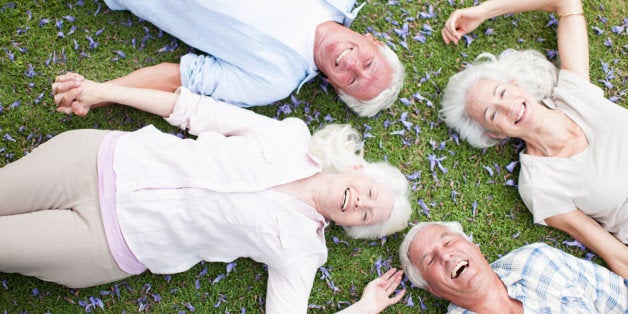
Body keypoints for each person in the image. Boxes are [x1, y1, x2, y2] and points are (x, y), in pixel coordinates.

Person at [0, 74, 412, 313]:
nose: (361, 203)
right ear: (358, 170)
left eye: (365, 216)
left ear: (350, 226)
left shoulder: (304, 250)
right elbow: (195, 112)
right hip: (94, 160)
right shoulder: (290, 137)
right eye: (370, 193)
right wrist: (103, 90)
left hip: (103, 243)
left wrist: (366, 308)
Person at [438, 0, 628, 277]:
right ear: (495, 133)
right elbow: (617, 256)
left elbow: (566, 4)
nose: (507, 107)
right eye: (492, 115)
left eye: (502, 93)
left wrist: (482, 12)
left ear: (516, 85)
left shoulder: (573, 94)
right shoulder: (539, 185)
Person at [58, 0, 405, 117]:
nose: (354, 65)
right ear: (370, 40)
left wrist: (102, 91)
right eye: (369, 62)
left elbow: (181, 76)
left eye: (354, 80)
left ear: (333, 85)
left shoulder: (275, 80)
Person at [398, 221, 628, 313]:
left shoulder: (538, 260)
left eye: (448, 242)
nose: (446, 256)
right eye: (429, 260)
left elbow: (621, 299)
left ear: (473, 245)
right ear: (432, 289)